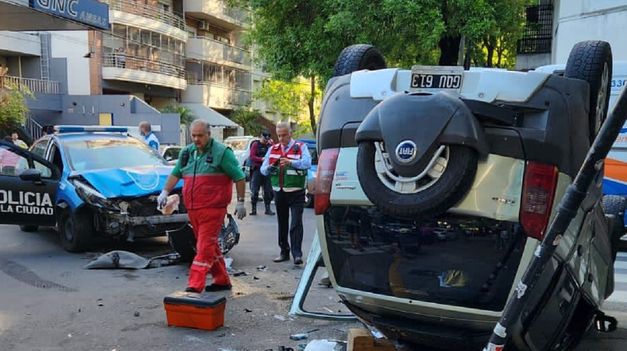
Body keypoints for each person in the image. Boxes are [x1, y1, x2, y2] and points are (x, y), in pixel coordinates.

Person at [158, 119, 247, 293]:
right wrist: (164, 192)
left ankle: (195, 283)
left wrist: (241, 202)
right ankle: (222, 280)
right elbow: (176, 174)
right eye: (193, 135)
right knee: (209, 245)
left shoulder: (222, 153)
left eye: (200, 135)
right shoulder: (187, 153)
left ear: (209, 134)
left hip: (213, 209)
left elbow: (239, 176)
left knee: (204, 247)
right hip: (194, 209)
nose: (196, 139)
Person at [261, 122, 311, 265]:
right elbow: (263, 170)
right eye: (279, 135)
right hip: (279, 191)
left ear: (290, 134)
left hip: (296, 192)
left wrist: (291, 162)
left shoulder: (301, 147)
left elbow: (307, 163)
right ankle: (284, 252)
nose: (281, 139)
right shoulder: (273, 149)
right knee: (282, 223)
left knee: (296, 223)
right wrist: (270, 167)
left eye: (284, 135)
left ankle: (297, 254)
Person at [248, 129, 275, 216]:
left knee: (268, 190)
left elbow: (274, 153)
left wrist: (272, 144)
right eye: (264, 139)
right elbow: (252, 156)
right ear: (261, 136)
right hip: (257, 169)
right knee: (255, 190)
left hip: (267, 170)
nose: (265, 141)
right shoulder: (256, 144)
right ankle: (254, 209)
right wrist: (261, 159)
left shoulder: (269, 145)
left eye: (267, 140)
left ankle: (268, 209)